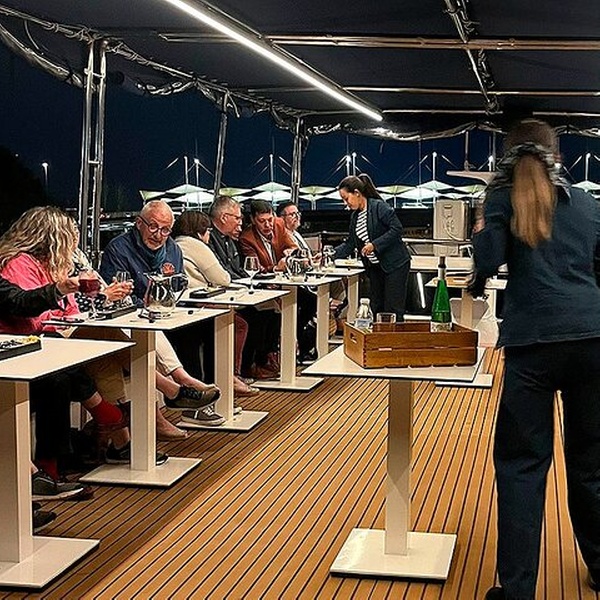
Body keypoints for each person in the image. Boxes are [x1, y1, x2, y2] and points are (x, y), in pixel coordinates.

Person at [472, 119, 600, 600]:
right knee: (591, 465)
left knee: (522, 466)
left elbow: (486, 262)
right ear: (558, 156)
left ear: (505, 160)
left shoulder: (503, 200)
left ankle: (517, 590)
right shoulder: (588, 204)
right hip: (592, 340)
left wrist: (488, 212)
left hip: (531, 346)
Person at [0, 206, 168, 466]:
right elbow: (29, 314)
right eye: (70, 234)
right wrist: (76, 297)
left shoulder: (51, 265)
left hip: (49, 339)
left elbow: (69, 309)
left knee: (98, 346)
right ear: (53, 237)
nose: (74, 240)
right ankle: (151, 399)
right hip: (25, 347)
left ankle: (118, 430)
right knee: (78, 356)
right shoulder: (19, 264)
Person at [99, 199, 225, 426]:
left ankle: (190, 395)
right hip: (129, 317)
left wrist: (165, 301)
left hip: (161, 315)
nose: (159, 235)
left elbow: (177, 286)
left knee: (203, 328)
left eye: (165, 229)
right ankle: (179, 390)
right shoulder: (118, 249)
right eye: (153, 227)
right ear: (139, 223)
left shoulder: (173, 249)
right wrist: (148, 305)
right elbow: (117, 294)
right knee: (145, 341)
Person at [172, 210, 259, 397]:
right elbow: (223, 278)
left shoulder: (174, 244)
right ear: (200, 231)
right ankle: (227, 378)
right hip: (196, 308)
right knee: (232, 325)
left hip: (182, 306)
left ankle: (223, 381)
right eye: (208, 231)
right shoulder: (195, 245)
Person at [208, 196, 280, 380]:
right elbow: (222, 274)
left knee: (272, 309)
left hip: (237, 291)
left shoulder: (228, 239)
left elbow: (238, 270)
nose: (241, 222)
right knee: (255, 317)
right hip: (221, 297)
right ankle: (244, 368)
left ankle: (262, 361)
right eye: (238, 218)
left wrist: (255, 281)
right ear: (224, 217)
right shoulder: (210, 239)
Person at [334, 173, 410, 321]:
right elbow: (350, 243)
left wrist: (375, 245)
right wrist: (329, 255)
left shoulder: (379, 207)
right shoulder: (355, 216)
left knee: (393, 308)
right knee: (376, 306)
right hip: (375, 267)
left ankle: (394, 335)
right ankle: (379, 335)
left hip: (395, 265)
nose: (345, 203)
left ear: (357, 193)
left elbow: (397, 229)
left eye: (346, 198)